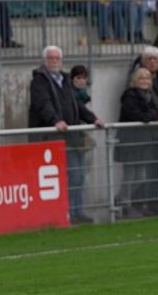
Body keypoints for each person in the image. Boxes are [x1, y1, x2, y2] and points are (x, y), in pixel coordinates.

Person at [28, 45, 104, 224]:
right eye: (50, 58)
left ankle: (77, 211)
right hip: (55, 137)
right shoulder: (39, 81)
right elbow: (43, 104)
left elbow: (77, 105)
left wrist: (93, 119)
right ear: (45, 60)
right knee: (70, 175)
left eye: (57, 58)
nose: (54, 61)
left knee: (78, 175)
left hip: (72, 136)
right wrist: (55, 120)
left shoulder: (65, 79)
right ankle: (69, 212)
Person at [116, 67, 158, 218]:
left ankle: (121, 199)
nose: (144, 81)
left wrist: (151, 115)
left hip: (143, 141)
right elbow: (137, 115)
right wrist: (150, 115)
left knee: (141, 175)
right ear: (135, 80)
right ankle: (124, 204)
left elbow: (155, 112)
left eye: (147, 78)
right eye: (141, 78)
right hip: (130, 141)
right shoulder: (129, 95)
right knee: (130, 175)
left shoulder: (150, 95)